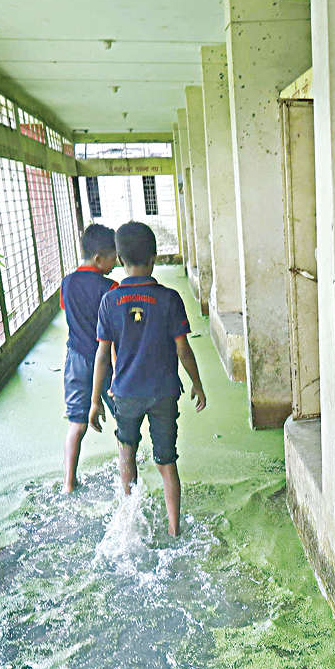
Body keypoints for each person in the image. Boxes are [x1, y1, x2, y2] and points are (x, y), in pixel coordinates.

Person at [88, 221, 206, 536]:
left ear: (120, 260)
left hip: (125, 393)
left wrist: (95, 401)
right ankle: (174, 528)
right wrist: (197, 384)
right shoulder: (170, 299)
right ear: (153, 258)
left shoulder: (109, 301)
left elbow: (102, 356)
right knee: (167, 462)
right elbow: (183, 349)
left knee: (126, 451)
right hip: (164, 393)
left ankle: (130, 524)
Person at [61, 223, 120, 494]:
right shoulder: (111, 288)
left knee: (77, 423)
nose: (116, 263)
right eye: (113, 258)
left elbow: (69, 312)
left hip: (76, 359)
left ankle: (68, 482)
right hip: (106, 361)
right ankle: (126, 474)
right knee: (122, 421)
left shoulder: (67, 284)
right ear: (98, 258)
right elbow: (116, 331)